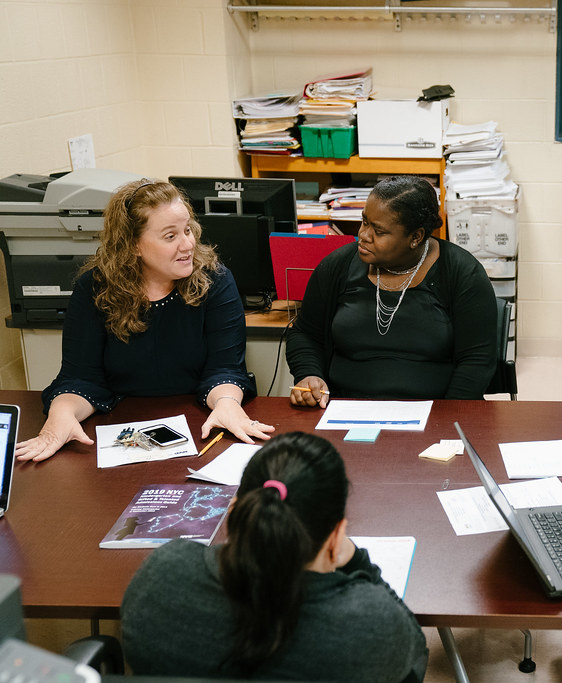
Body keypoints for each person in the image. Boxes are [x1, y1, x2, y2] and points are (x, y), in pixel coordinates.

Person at [121, 431, 428, 681]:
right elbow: (413, 655)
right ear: (335, 535)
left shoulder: (161, 576)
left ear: (235, 510)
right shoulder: (373, 627)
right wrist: (357, 560)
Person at [15, 179, 270, 462]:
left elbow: (225, 368)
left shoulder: (215, 279)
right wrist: (60, 415)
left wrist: (226, 402)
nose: (188, 244)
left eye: (187, 230)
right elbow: (80, 377)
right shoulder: (94, 288)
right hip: (119, 431)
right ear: (133, 245)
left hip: (198, 428)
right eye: (170, 236)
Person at [287, 175, 497, 405]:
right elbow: (305, 334)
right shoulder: (338, 266)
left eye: (379, 231)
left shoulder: (462, 273)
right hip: (343, 408)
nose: (364, 235)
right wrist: (309, 374)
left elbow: (476, 361)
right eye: (365, 222)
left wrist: (447, 420)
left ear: (415, 237)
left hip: (435, 412)